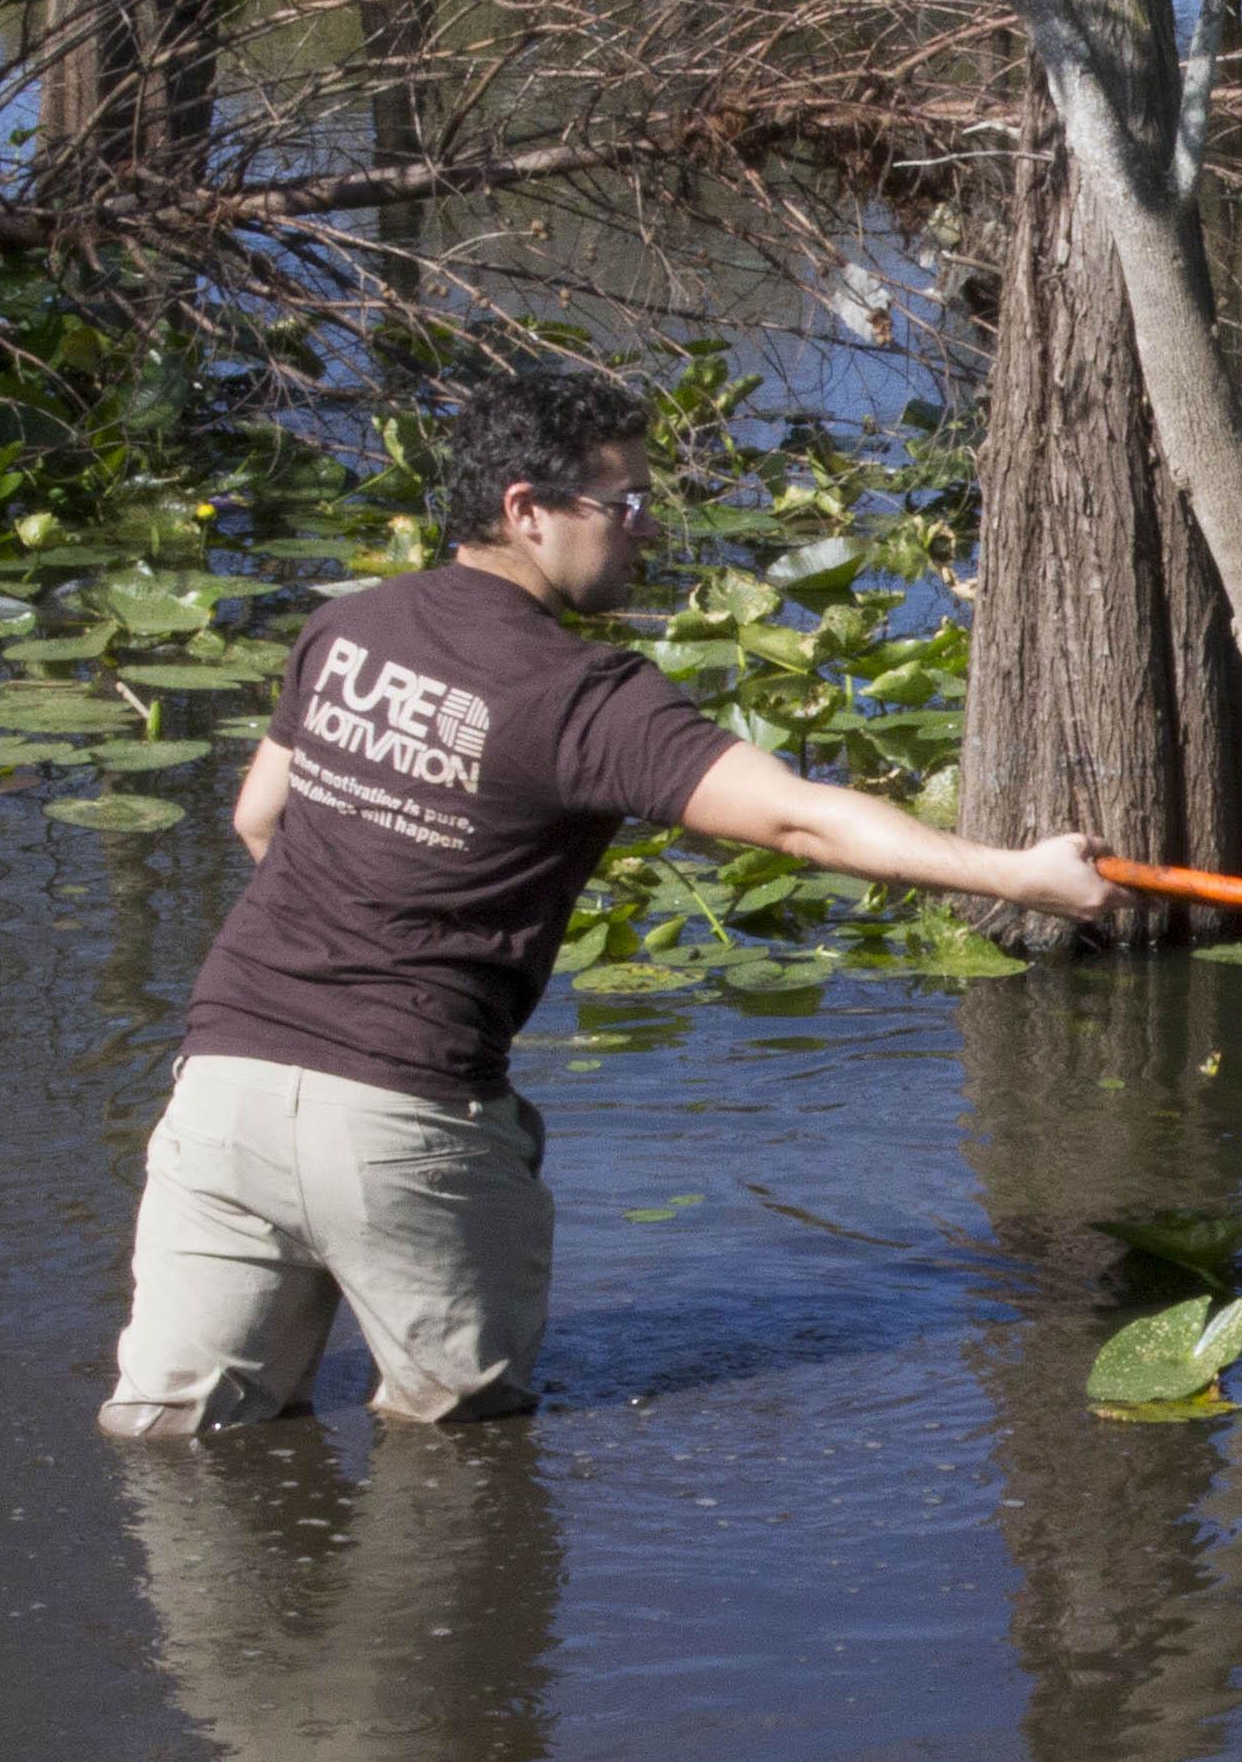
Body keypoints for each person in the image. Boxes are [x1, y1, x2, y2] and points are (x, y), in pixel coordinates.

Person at [98, 364, 1125, 1434]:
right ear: (525, 512)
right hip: (405, 1114)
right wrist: (1017, 873)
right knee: (459, 1454)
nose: (647, 534)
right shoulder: (584, 697)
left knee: (184, 1444)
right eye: (624, 505)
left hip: (223, 1089)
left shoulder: (349, 627)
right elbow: (797, 820)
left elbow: (259, 817)